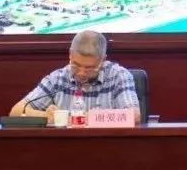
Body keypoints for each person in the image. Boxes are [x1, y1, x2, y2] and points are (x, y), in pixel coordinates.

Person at [9, 30, 141, 124]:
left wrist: (84, 119)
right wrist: (48, 116)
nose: (81, 73)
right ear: (70, 55)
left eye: (89, 68)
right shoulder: (57, 79)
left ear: (102, 60)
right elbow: (16, 111)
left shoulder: (118, 76)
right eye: (76, 65)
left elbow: (134, 116)